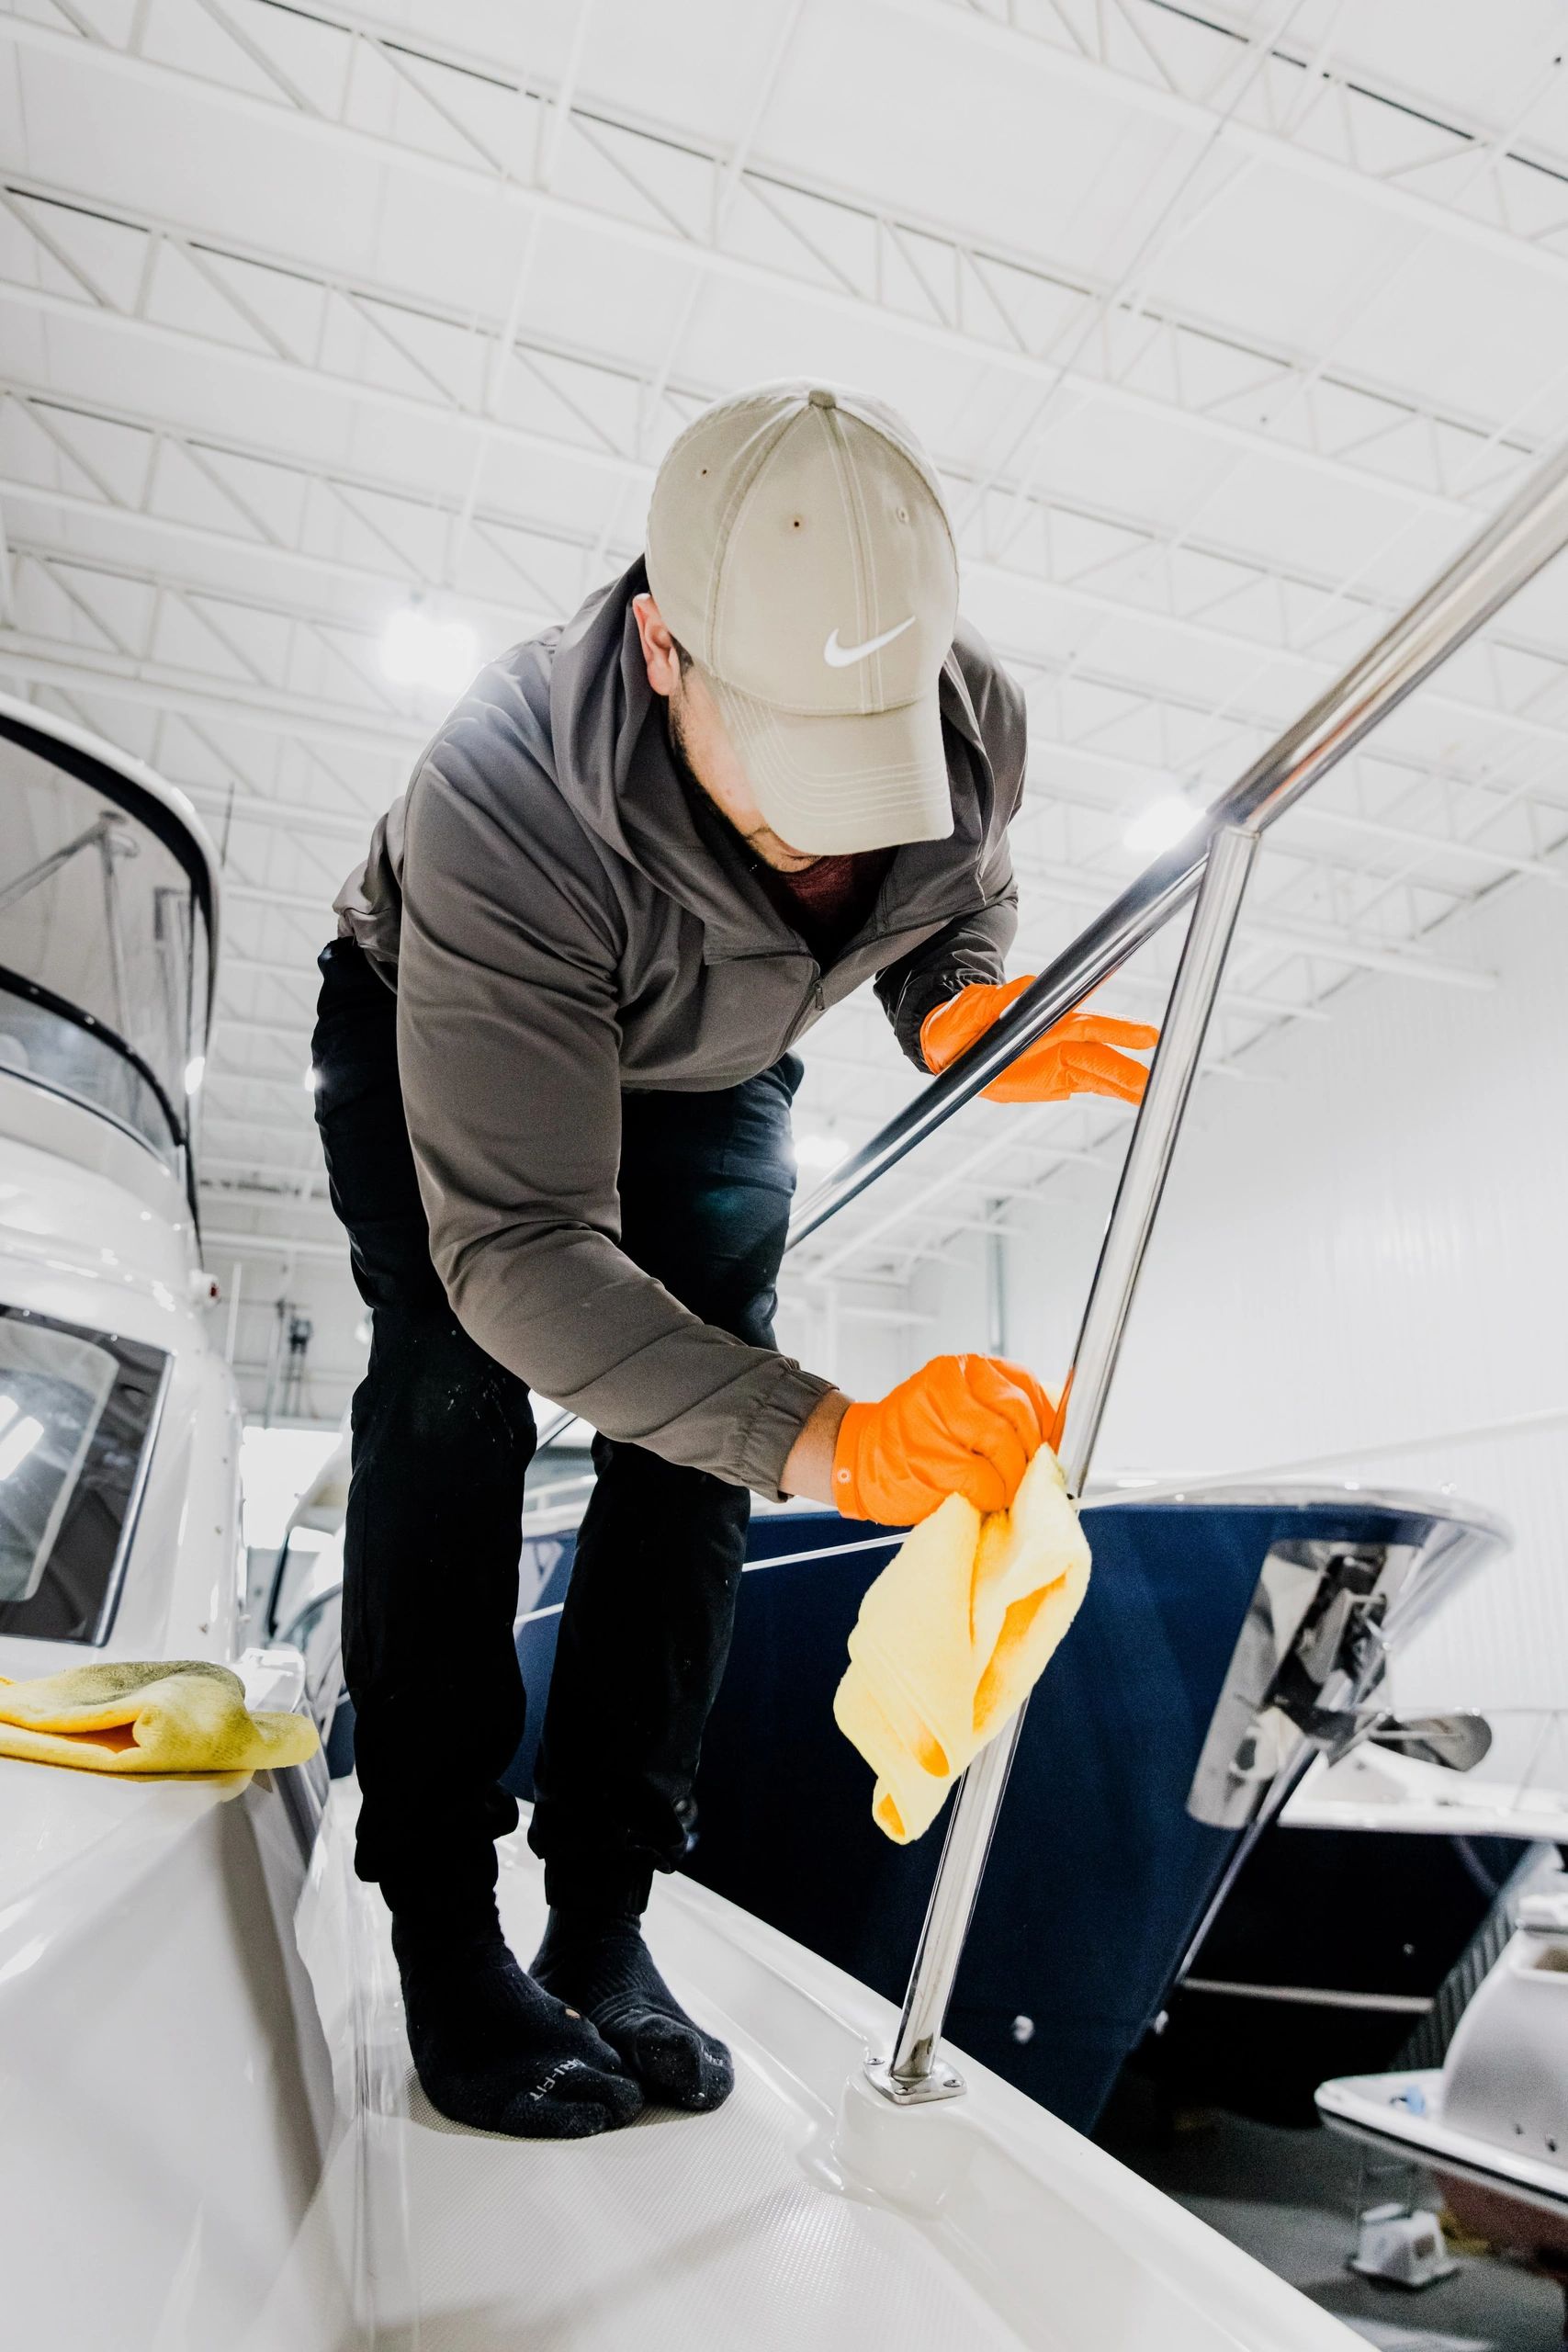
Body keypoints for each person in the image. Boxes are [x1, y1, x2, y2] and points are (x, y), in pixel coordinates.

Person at [313, 380, 1155, 2141]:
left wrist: (957, 1002)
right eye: (791, 790)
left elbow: (958, 888)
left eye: (866, 787)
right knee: (459, 1397)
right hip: (450, 1020)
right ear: (663, 650)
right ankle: (445, 1931)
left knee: (698, 1450)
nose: (827, 844)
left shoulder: (972, 719)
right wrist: (839, 1440)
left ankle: (608, 1917)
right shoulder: (503, 787)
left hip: (713, 1063)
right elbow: (526, 1251)